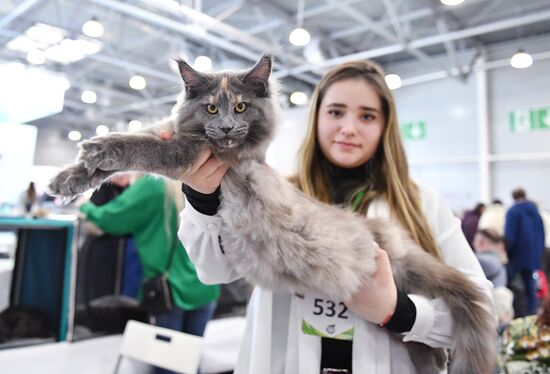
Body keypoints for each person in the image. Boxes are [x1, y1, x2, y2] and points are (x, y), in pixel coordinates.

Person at [170, 60, 493, 373]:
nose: (348, 128)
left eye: (367, 116)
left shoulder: (421, 203)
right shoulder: (266, 189)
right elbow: (213, 271)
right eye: (336, 112)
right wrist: (201, 197)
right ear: (317, 118)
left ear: (385, 126)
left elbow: (483, 311)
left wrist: (398, 312)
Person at [79, 175, 220, 374]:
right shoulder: (201, 180)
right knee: (191, 362)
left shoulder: (153, 183)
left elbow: (110, 218)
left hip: (170, 290)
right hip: (205, 286)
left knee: (168, 366)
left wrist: (84, 205)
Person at [505, 187, 545, 317]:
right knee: (530, 285)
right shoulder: (536, 212)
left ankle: (516, 313)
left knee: (510, 283)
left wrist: (507, 252)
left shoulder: (513, 211)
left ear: (513, 197)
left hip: (517, 254)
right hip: (533, 255)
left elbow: (510, 235)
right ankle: (532, 312)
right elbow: (542, 234)